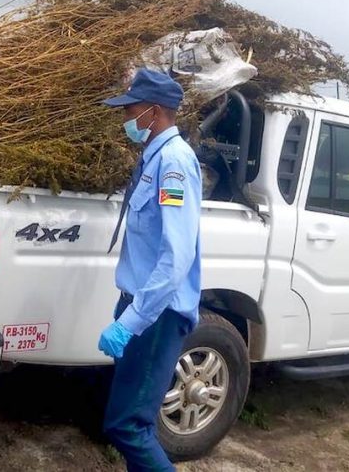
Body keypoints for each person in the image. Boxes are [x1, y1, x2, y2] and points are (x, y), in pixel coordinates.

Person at [99, 68, 203, 472]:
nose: (125, 118)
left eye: (131, 109)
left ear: (154, 112)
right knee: (128, 422)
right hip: (140, 306)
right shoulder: (154, 157)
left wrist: (133, 321)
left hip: (156, 315)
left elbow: (175, 257)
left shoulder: (174, 163)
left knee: (129, 427)